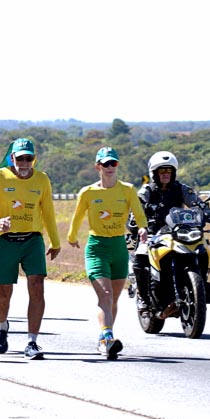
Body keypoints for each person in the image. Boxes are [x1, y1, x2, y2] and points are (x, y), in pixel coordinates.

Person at [0, 138, 61, 360]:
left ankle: (32, 341)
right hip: (5, 240)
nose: (25, 163)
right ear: (12, 158)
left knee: (37, 286)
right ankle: (2, 326)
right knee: (3, 293)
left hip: (32, 239)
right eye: (20, 158)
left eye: (29, 158)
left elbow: (48, 212)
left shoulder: (41, 179)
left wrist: (55, 242)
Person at [67, 148, 146, 359]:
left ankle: (104, 339)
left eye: (113, 163)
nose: (110, 167)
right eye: (105, 164)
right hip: (97, 247)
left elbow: (138, 213)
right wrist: (72, 236)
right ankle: (108, 337)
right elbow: (77, 216)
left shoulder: (127, 190)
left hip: (118, 247)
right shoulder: (88, 192)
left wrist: (142, 228)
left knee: (113, 299)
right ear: (98, 167)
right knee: (106, 294)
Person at [133, 151, 202, 306]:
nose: (165, 174)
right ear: (154, 173)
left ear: (173, 172)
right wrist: (134, 220)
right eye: (162, 170)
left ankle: (201, 287)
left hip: (177, 233)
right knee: (140, 258)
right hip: (152, 234)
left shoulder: (182, 189)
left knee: (200, 249)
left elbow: (197, 204)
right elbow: (136, 207)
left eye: (169, 170)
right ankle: (143, 297)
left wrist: (207, 213)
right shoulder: (147, 190)